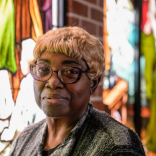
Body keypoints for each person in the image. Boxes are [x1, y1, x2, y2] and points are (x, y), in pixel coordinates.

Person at [9, 26, 145, 156]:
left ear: (94, 82)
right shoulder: (24, 140)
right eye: (43, 69)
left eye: (70, 71)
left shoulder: (117, 146)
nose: (52, 82)